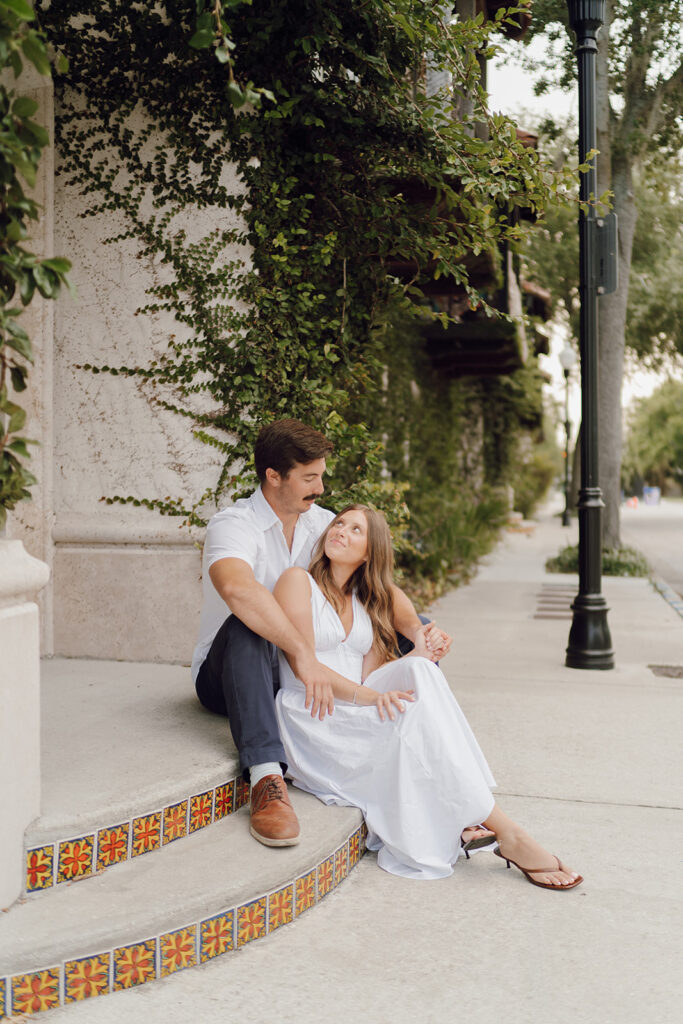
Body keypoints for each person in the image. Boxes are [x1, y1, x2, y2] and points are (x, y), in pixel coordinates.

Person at [272, 504, 583, 889]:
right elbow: (306, 666)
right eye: (339, 524)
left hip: (357, 706)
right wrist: (369, 697)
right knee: (411, 720)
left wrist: (423, 650)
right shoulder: (295, 581)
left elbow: (370, 673)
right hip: (314, 714)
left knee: (420, 671)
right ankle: (506, 831)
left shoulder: (364, 601)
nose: (341, 531)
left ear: (370, 552)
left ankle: (490, 823)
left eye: (356, 530)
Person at [192, 420, 452, 849]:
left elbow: (378, 585)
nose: (322, 487)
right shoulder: (235, 524)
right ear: (274, 477)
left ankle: (412, 733)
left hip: (301, 670)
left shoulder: (321, 523)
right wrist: (302, 653)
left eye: (322, 475)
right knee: (249, 623)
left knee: (410, 634)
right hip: (231, 674)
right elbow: (236, 587)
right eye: (310, 478)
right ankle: (266, 778)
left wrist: (419, 630)